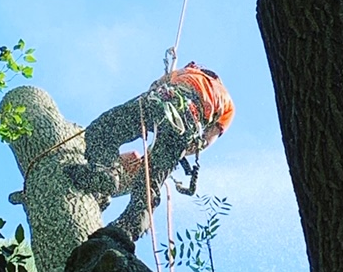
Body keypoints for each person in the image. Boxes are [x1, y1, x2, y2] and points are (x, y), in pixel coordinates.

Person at [67, 62, 235, 240]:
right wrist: (169, 154)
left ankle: (103, 172)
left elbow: (155, 86)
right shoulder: (227, 103)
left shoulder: (185, 72)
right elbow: (206, 140)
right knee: (149, 182)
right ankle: (126, 230)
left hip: (159, 101)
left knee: (104, 129)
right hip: (186, 125)